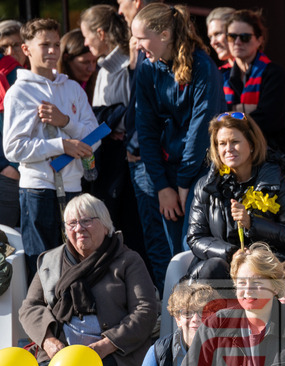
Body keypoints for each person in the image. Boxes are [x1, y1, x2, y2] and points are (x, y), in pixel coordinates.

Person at [19, 193, 160, 366]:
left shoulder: (128, 260)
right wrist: (49, 341)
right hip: (57, 356)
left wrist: (106, 345)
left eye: (86, 221)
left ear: (105, 225)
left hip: (113, 358)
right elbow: (29, 308)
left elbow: (145, 311)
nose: (79, 228)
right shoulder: (50, 261)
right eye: (72, 223)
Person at [131, 3, 225, 292]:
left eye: (142, 38)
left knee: (192, 248)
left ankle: (199, 315)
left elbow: (201, 131)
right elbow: (144, 129)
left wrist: (183, 184)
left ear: (165, 34)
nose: (137, 44)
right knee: (165, 251)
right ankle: (171, 314)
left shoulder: (202, 66)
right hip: (161, 172)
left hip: (197, 171)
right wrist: (162, 186)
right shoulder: (147, 68)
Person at [3, 18, 99, 278]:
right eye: (44, 45)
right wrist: (61, 145)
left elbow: (96, 137)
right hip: (37, 190)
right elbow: (13, 148)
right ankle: (45, 319)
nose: (52, 51)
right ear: (26, 50)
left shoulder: (71, 88)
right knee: (43, 267)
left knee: (77, 263)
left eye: (56, 44)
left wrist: (65, 122)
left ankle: (74, 317)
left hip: (73, 188)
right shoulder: (18, 92)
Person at [187, 111, 285, 282]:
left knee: (256, 272)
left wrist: (252, 223)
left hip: (268, 266)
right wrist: (231, 253)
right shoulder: (206, 186)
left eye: (235, 142)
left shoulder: (276, 178)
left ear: (251, 144)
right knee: (212, 268)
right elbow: (195, 238)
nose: (228, 149)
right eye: (222, 143)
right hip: (224, 267)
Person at [80, 5, 146, 273]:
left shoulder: (123, 62)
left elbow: (127, 114)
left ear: (101, 32)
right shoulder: (107, 63)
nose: (85, 43)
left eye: (87, 36)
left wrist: (99, 128)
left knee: (125, 226)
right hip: (107, 152)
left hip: (123, 155)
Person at [222, 10, 285, 163]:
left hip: (268, 157)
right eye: (232, 37)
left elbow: (270, 119)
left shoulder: (274, 74)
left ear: (259, 40)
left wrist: (230, 121)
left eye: (245, 37)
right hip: (230, 158)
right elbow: (214, 117)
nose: (238, 42)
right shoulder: (221, 75)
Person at [0, 20, 25, 228]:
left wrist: (11, 166)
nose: (11, 51)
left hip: (8, 175)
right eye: (5, 46)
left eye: (17, 44)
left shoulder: (13, 74)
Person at [58, 29, 97, 99]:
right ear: (66, 58)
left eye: (94, 61)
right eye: (85, 62)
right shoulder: (53, 88)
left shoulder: (98, 85)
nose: (92, 68)